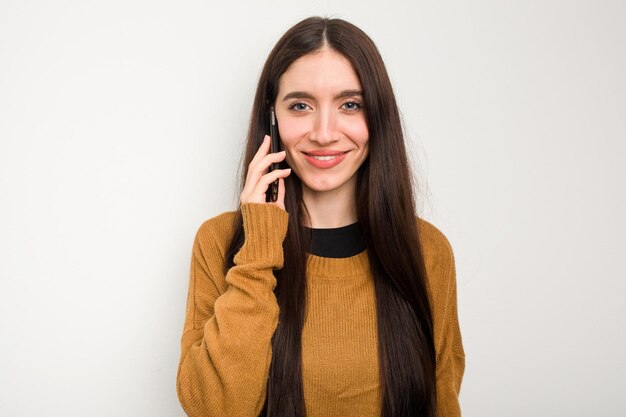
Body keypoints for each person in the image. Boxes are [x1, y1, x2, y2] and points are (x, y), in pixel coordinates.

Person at [176, 16, 465, 417]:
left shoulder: (427, 249)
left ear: (377, 116)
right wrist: (259, 247)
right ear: (272, 116)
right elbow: (215, 407)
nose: (325, 132)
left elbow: (443, 403)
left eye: (350, 104)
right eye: (300, 105)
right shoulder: (222, 241)